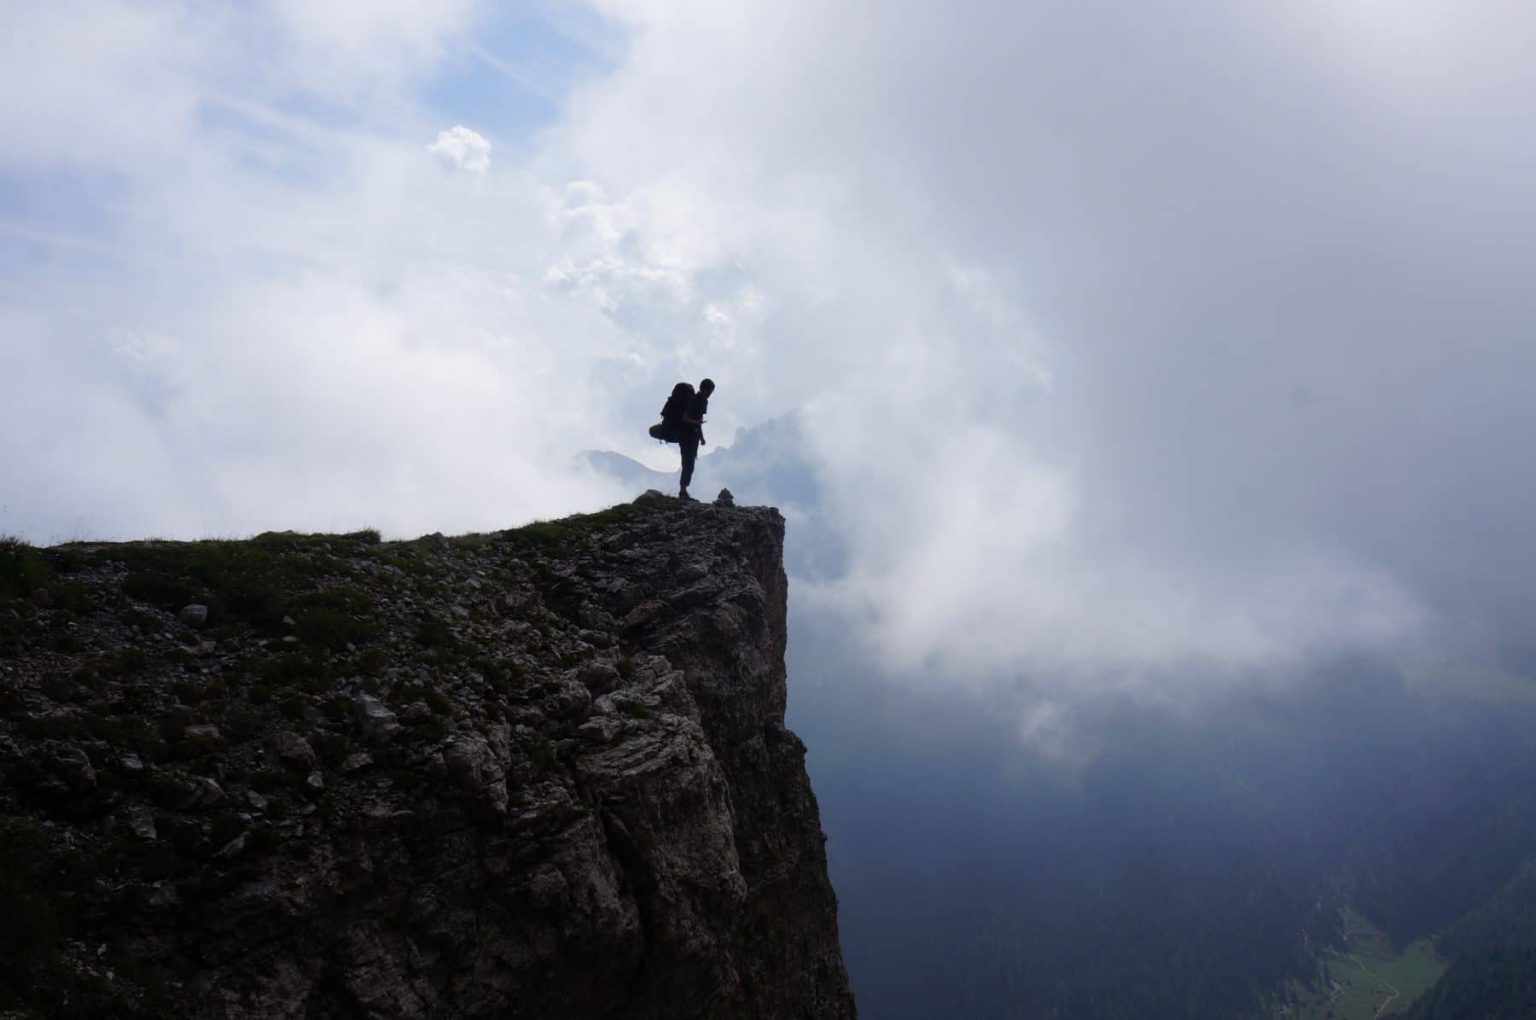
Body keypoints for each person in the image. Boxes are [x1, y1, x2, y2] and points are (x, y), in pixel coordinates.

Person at [677, 377, 714, 501]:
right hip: (686, 435)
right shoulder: (694, 400)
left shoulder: (704, 402)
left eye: (711, 392)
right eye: (709, 391)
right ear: (703, 389)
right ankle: (682, 491)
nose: (710, 394)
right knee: (687, 463)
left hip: (694, 436)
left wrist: (702, 438)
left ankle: (684, 490)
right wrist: (696, 423)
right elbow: (685, 418)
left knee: (689, 463)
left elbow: (699, 421)